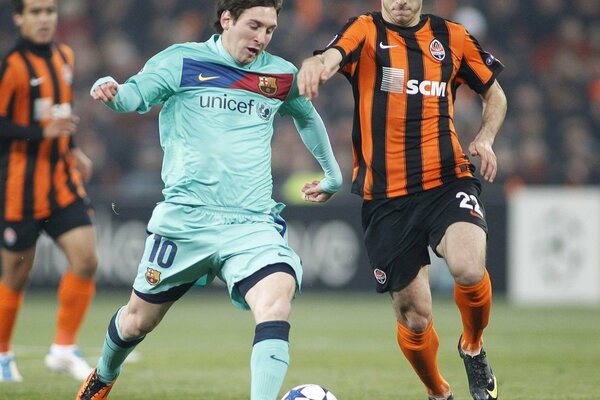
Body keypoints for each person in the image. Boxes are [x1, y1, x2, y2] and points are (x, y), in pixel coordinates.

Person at [77, 0, 342, 399]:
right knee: (136, 322)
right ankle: (103, 375)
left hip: (251, 223)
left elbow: (306, 116)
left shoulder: (279, 73)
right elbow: (136, 95)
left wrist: (332, 172)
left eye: (270, 29)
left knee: (275, 302)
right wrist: (115, 95)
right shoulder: (181, 60)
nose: (262, 37)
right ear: (226, 19)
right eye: (254, 26)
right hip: (186, 220)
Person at [297, 1, 507, 399]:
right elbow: (332, 56)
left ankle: (473, 347)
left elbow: (495, 94)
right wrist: (317, 66)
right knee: (415, 317)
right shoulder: (365, 30)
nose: (400, 2)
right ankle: (438, 392)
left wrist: (484, 137)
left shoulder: (453, 37)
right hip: (386, 197)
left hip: (447, 179)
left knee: (468, 267)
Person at [0, 0, 98, 382]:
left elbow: (61, 109)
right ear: (19, 18)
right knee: (15, 278)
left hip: (61, 181)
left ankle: (62, 348)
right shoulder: (11, 67)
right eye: (36, 12)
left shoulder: (65, 55)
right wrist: (42, 133)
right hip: (19, 189)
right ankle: (3, 354)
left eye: (50, 11)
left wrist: (74, 149)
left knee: (87, 260)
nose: (44, 19)